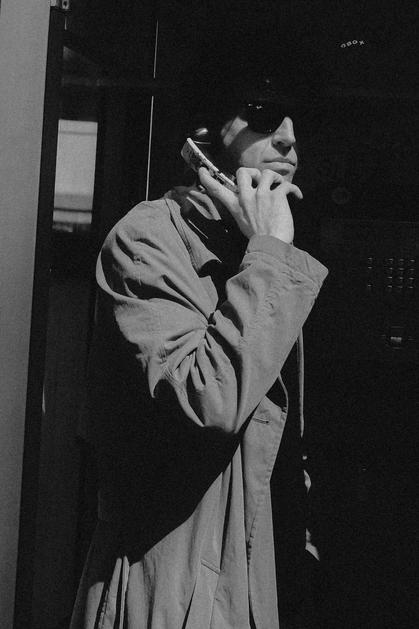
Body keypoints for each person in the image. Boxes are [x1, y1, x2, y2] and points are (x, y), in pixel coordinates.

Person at [70, 77, 328, 629]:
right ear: (204, 135)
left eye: (298, 121)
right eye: (263, 113)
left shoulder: (259, 252)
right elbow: (208, 399)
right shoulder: (147, 240)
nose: (288, 138)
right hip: (178, 587)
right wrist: (271, 253)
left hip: (263, 576)